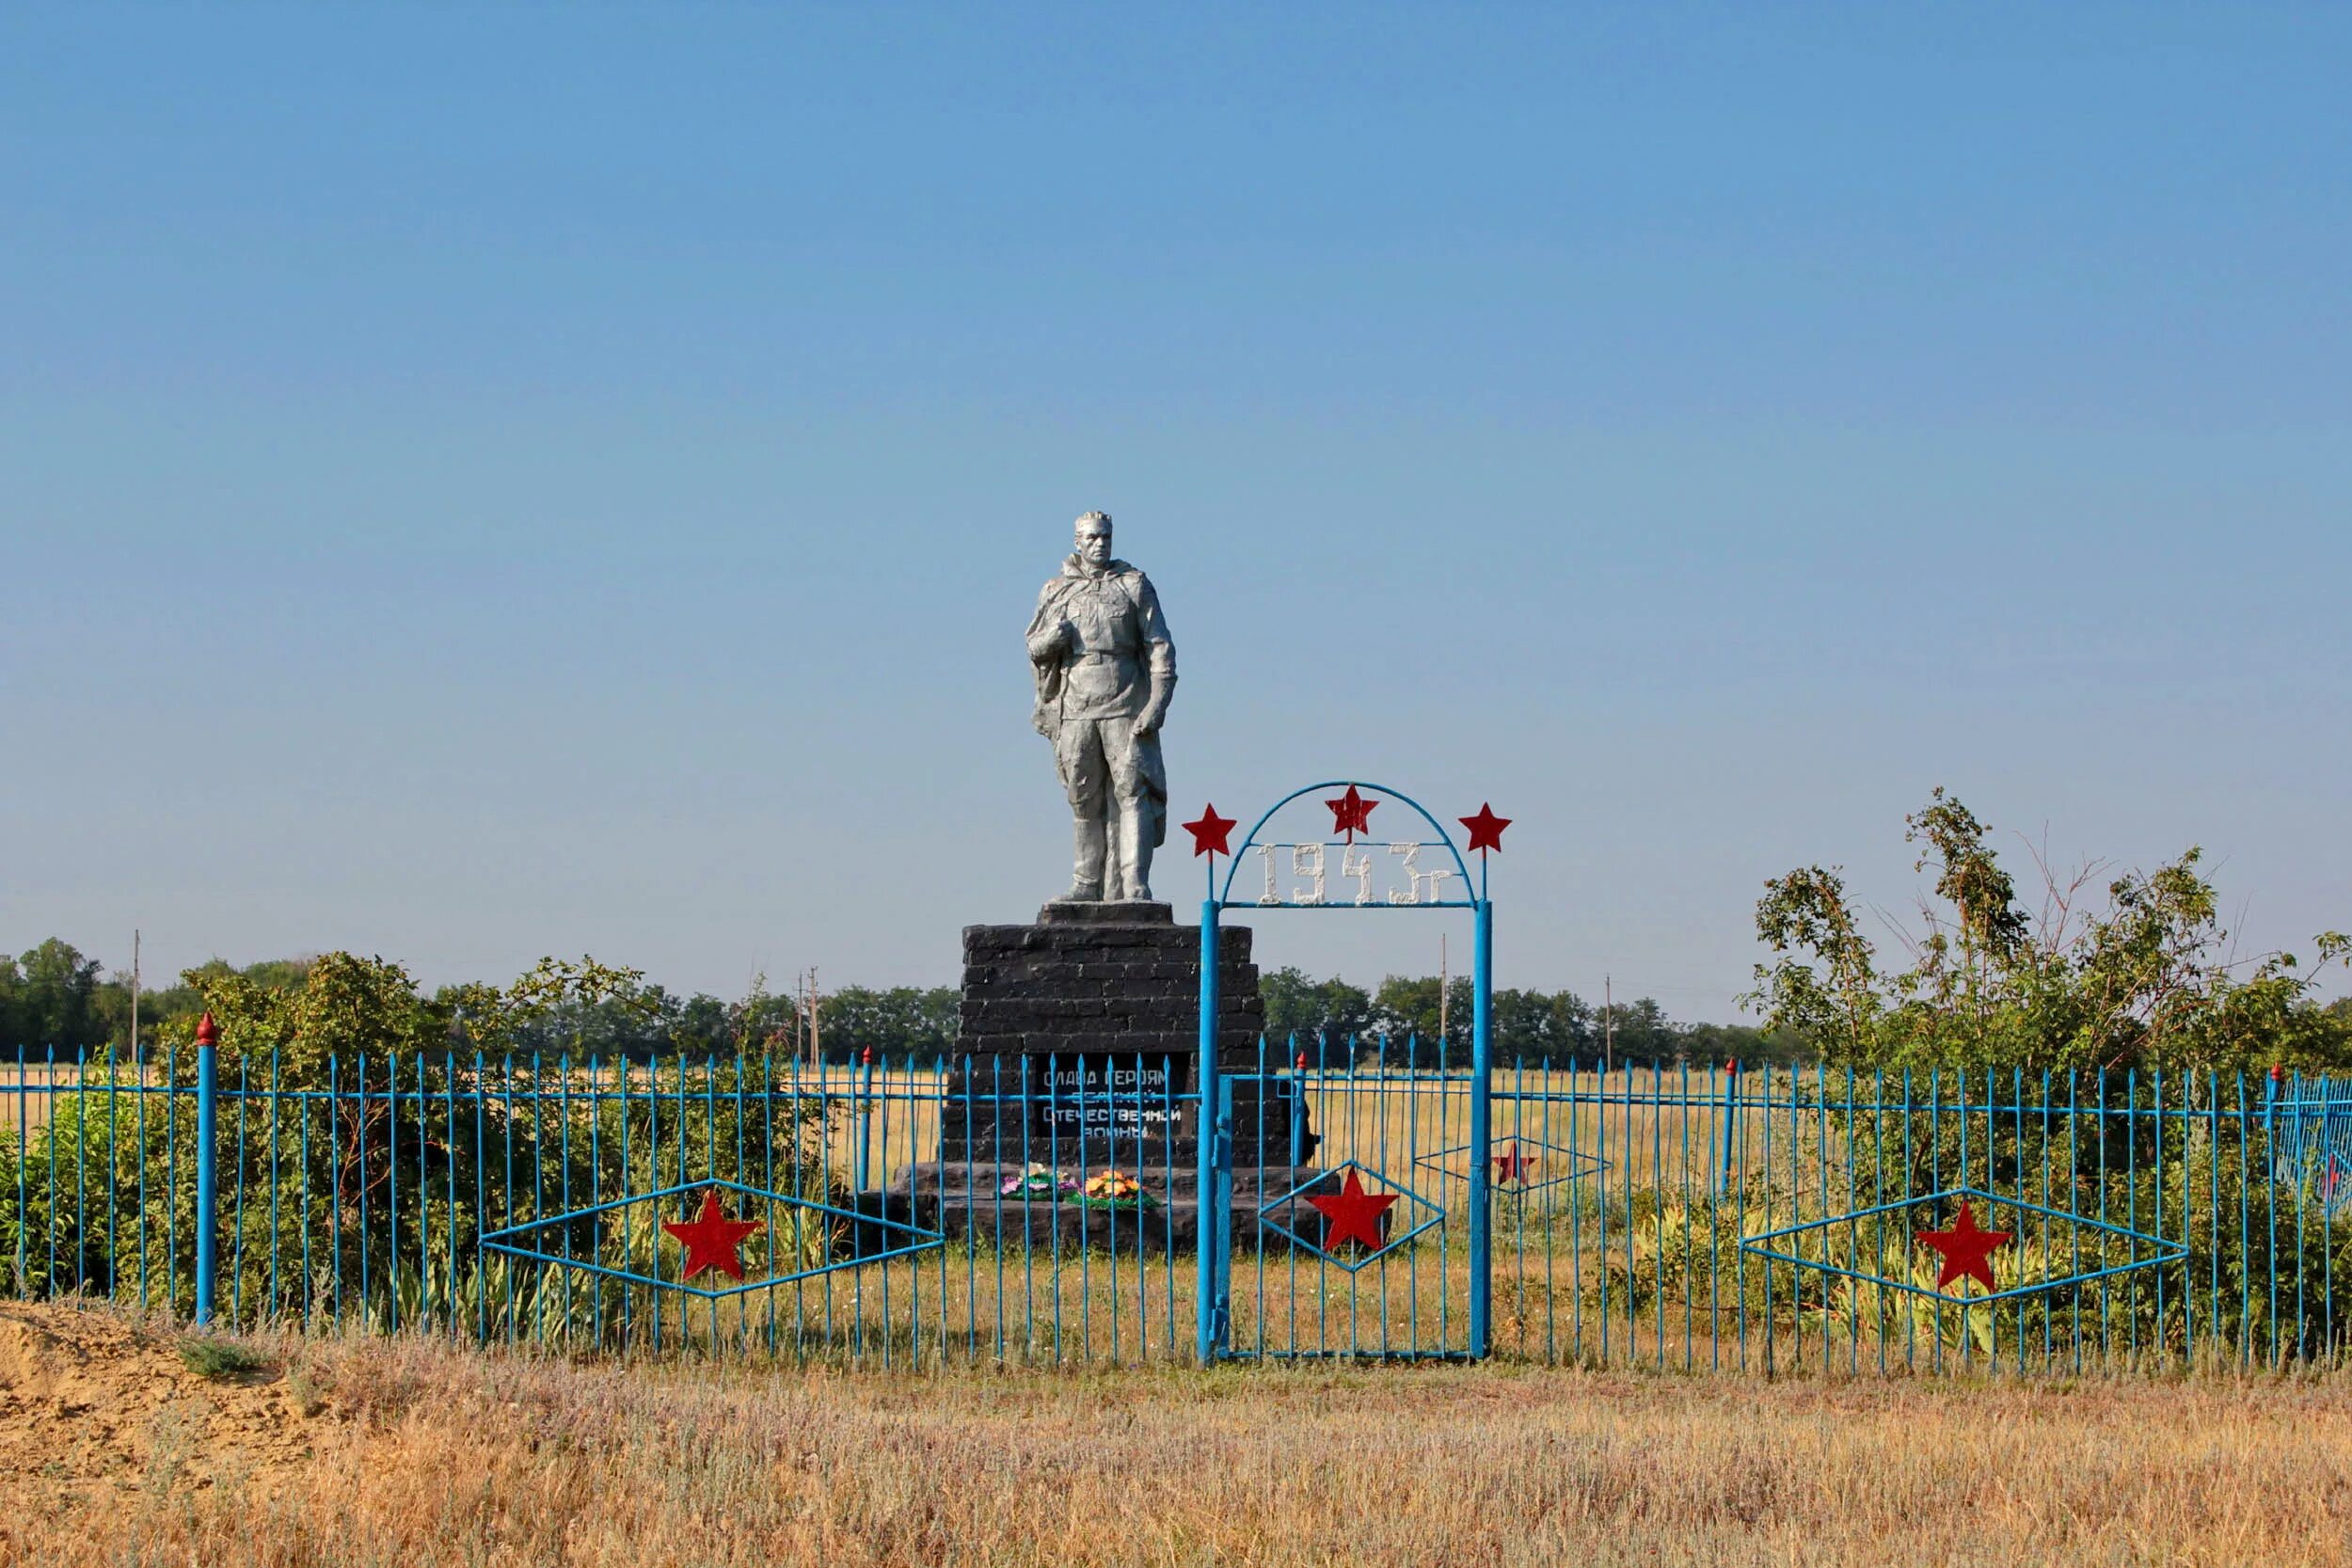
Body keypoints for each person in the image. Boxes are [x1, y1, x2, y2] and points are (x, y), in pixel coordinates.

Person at [1025, 511, 1176, 902]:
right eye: (1091, 538)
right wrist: (1051, 641)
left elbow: (1159, 646)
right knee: (1083, 795)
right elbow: (1034, 648)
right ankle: (1086, 882)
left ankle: (1134, 884)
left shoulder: (1133, 585)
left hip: (1125, 700)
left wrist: (1157, 704)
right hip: (1076, 703)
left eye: (1105, 538)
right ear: (1077, 542)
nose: (1099, 544)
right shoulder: (1057, 590)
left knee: (1132, 791)